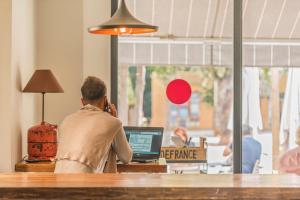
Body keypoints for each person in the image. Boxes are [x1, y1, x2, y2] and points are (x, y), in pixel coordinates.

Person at [55, 76, 132, 173]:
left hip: (57, 184)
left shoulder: (66, 120)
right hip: (85, 186)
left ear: (82, 101)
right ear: (105, 100)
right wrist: (114, 119)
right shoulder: (113, 122)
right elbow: (126, 157)